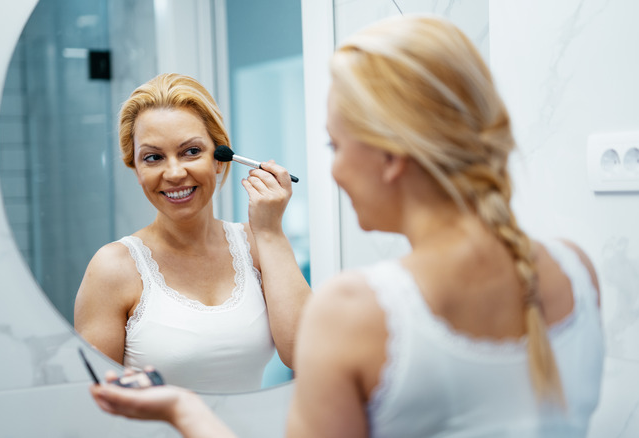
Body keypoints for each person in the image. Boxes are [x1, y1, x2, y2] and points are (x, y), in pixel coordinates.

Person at [89, 14, 605, 437]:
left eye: (335, 145)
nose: (332, 170)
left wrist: (182, 409)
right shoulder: (576, 271)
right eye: (153, 156)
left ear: (390, 157)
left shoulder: (359, 310)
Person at [74, 73, 311, 392]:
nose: (174, 173)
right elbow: (93, 404)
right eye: (153, 157)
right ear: (137, 169)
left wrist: (270, 231)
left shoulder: (258, 244)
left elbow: (307, 354)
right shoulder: (113, 268)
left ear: (219, 158)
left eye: (191, 151)